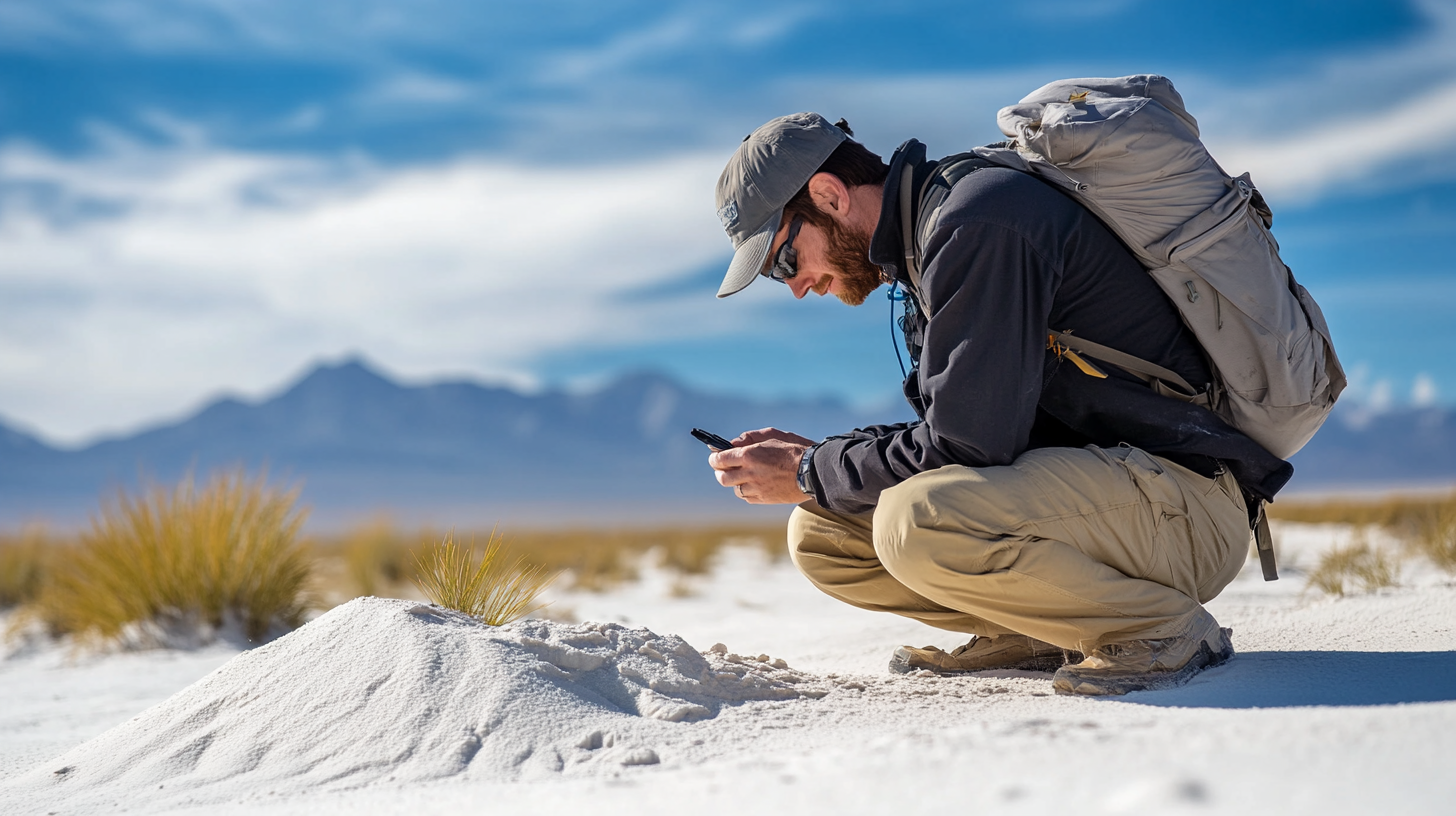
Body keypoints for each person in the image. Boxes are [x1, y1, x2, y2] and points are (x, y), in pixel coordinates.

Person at [705, 112, 1292, 695]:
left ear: (828, 195)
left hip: (1183, 506)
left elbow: (967, 444)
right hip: (1112, 501)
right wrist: (826, 462)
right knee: (822, 533)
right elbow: (962, 426)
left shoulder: (975, 222)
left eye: (784, 260)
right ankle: (1041, 629)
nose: (796, 286)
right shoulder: (930, 238)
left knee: (916, 521)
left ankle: (1156, 629)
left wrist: (811, 469)